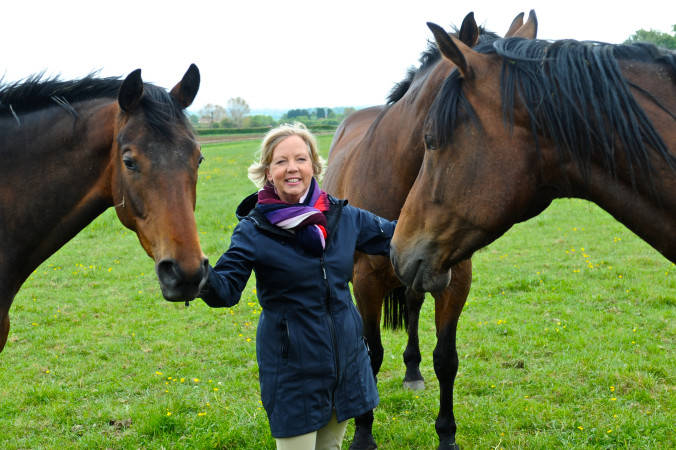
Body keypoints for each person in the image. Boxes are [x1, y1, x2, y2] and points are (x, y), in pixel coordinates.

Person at [198, 122, 397, 449]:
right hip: (293, 372)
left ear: (314, 166)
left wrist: (448, 222)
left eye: (301, 159)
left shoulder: (343, 217)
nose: (292, 168)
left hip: (345, 364)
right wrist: (200, 276)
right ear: (267, 172)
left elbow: (398, 237)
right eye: (281, 161)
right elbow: (225, 288)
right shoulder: (254, 230)